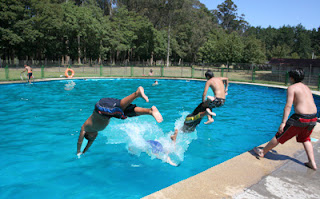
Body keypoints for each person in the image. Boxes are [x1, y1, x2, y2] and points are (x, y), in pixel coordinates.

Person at [253, 68, 318, 170]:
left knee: (280, 135)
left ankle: (262, 152)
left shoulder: (292, 88)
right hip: (313, 118)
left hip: (300, 118)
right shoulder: (307, 88)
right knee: (306, 139)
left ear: (291, 78)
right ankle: (312, 162)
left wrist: (283, 122)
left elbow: (288, 106)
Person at [77, 86, 163, 156]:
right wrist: (83, 152)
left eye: (92, 137)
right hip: (107, 113)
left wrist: (78, 152)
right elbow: (89, 143)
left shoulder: (85, 127)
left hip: (101, 107)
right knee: (126, 112)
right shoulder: (93, 133)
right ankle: (150, 111)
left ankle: (137, 94)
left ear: (88, 134)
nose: (94, 137)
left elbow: (80, 141)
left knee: (119, 107)